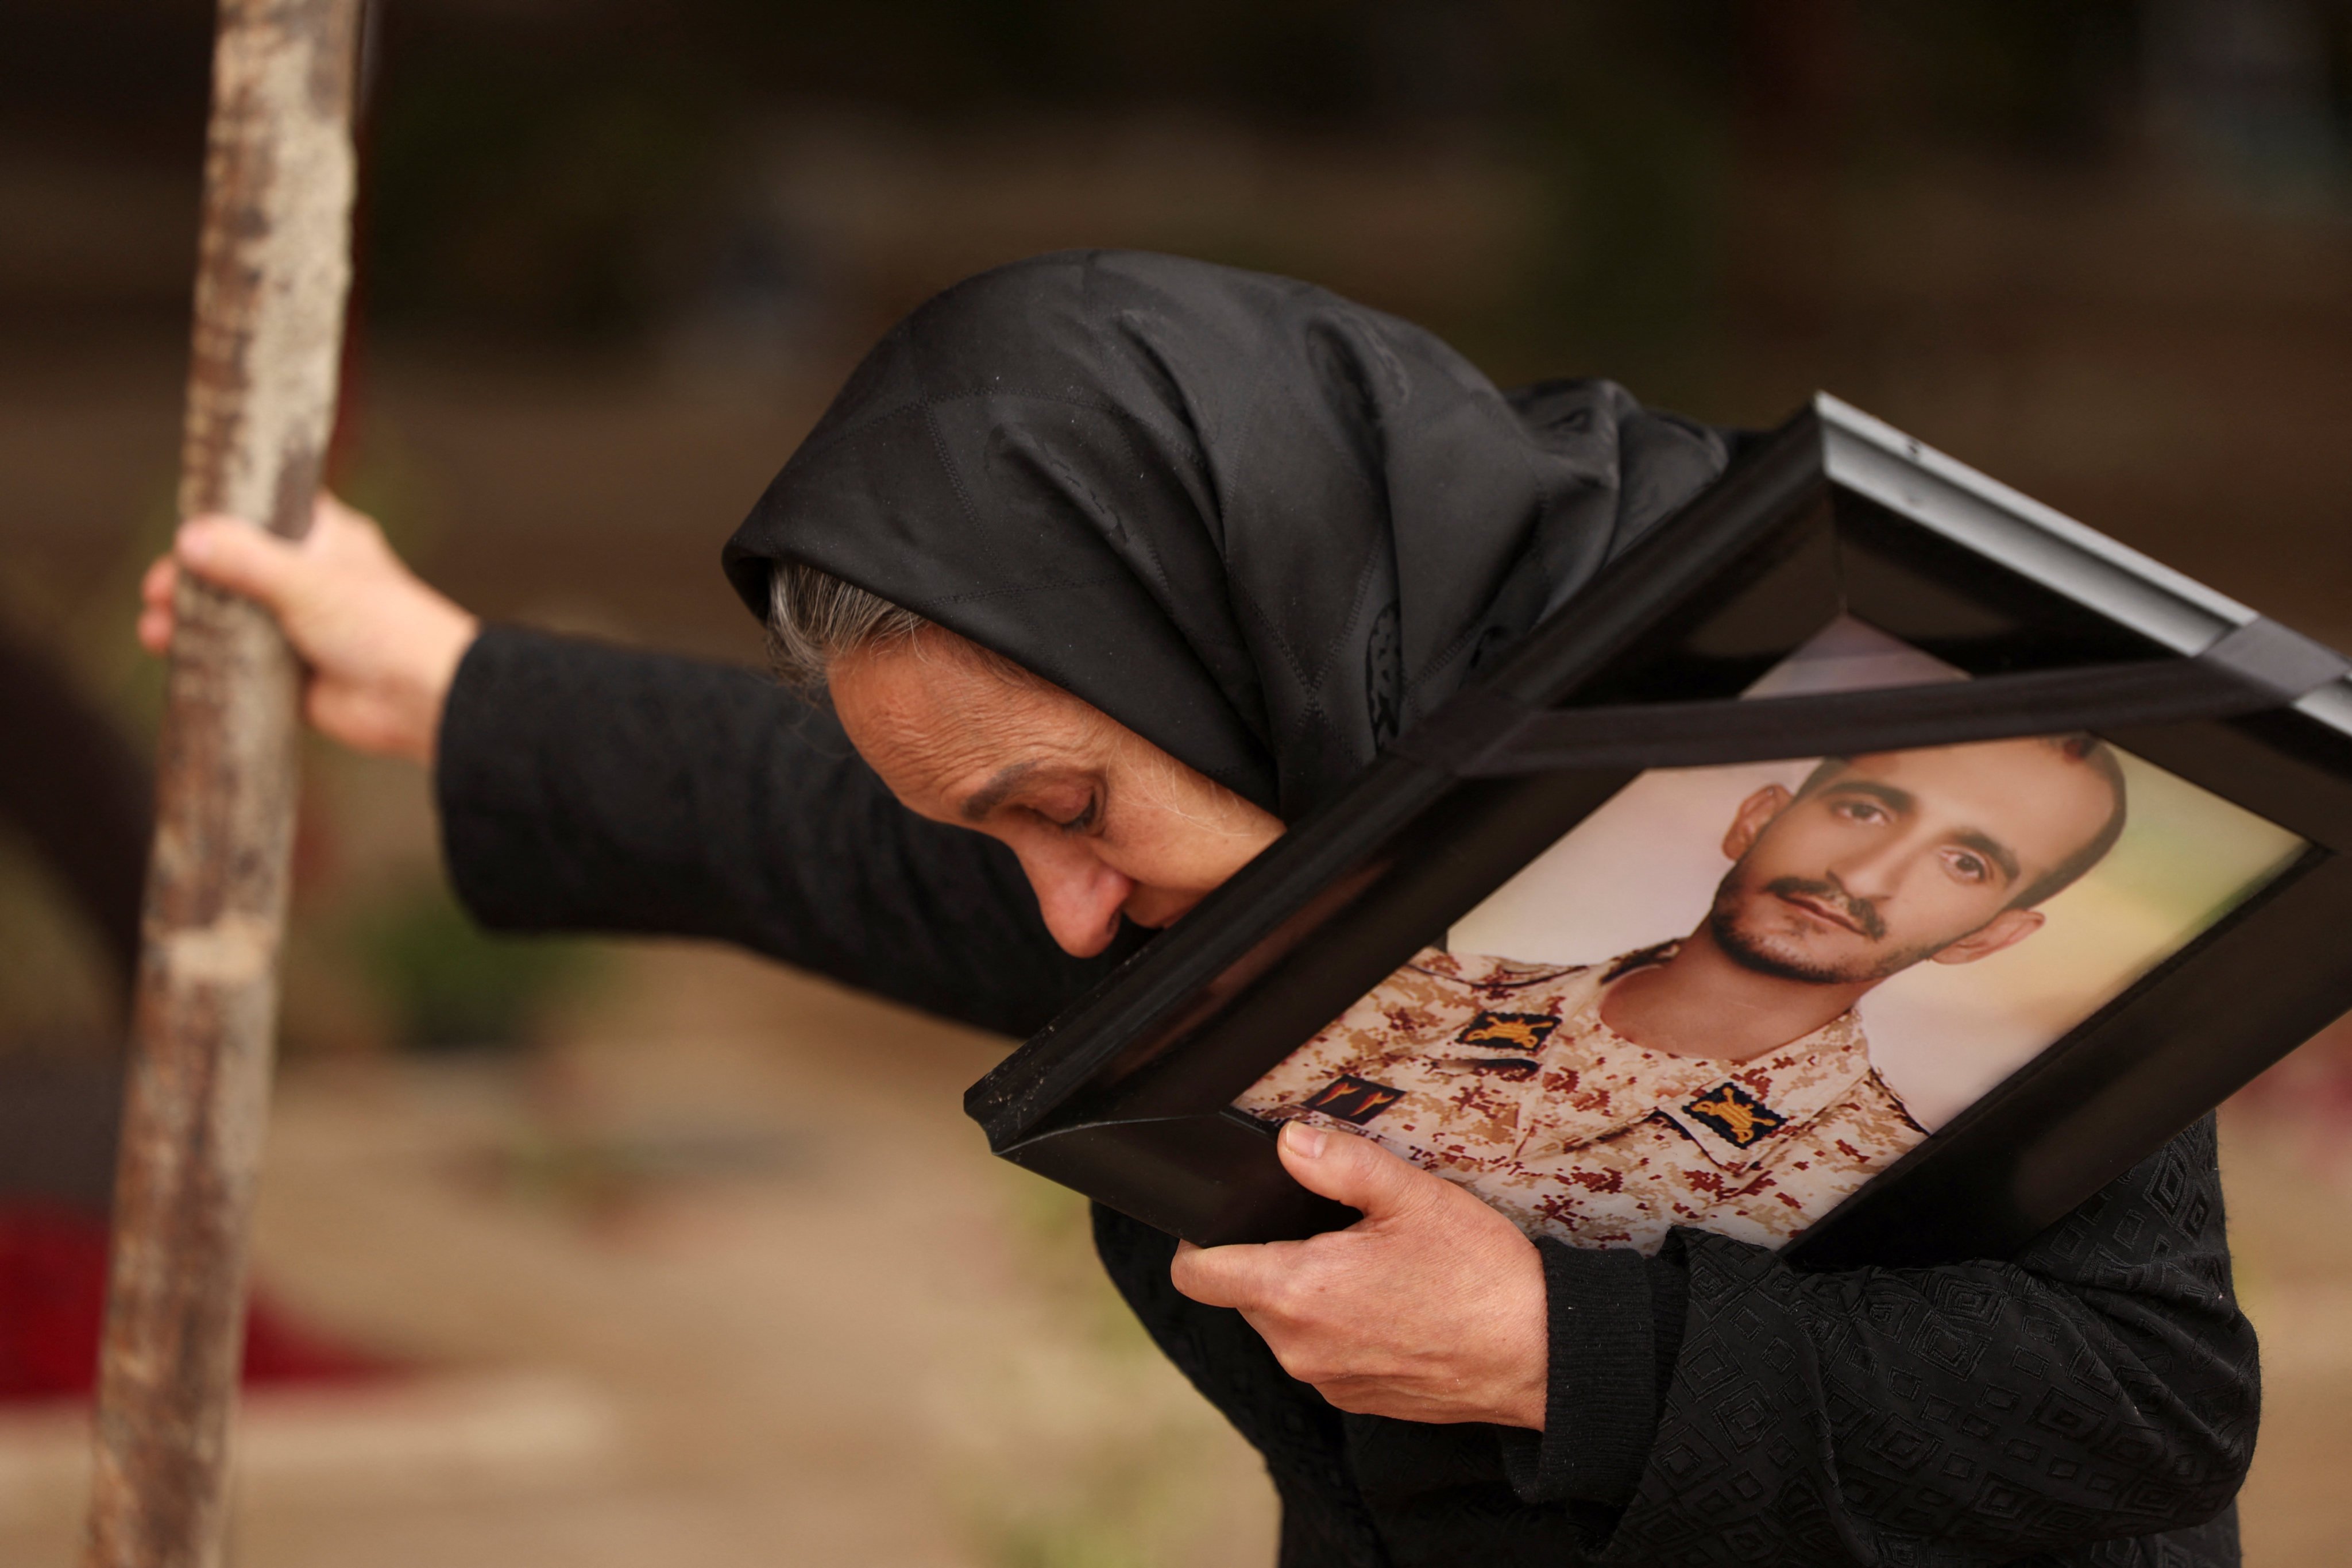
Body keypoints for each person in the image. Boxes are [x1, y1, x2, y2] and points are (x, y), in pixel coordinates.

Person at [140, 252, 2254, 1566]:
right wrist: (435, 676)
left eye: (1067, 810)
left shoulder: (1850, 711)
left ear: (1242, 633)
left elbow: (2143, 1402)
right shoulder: (1249, 762)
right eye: (1001, 841)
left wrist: (1557, 1352)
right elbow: (847, 819)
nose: (1062, 919)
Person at [1237, 738, 2128, 1251]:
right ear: (1758, 816)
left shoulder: (1873, 1200)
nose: (1867, 871)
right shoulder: (1409, 993)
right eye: (1864, 808)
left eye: (1965, 863)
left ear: (1988, 934)